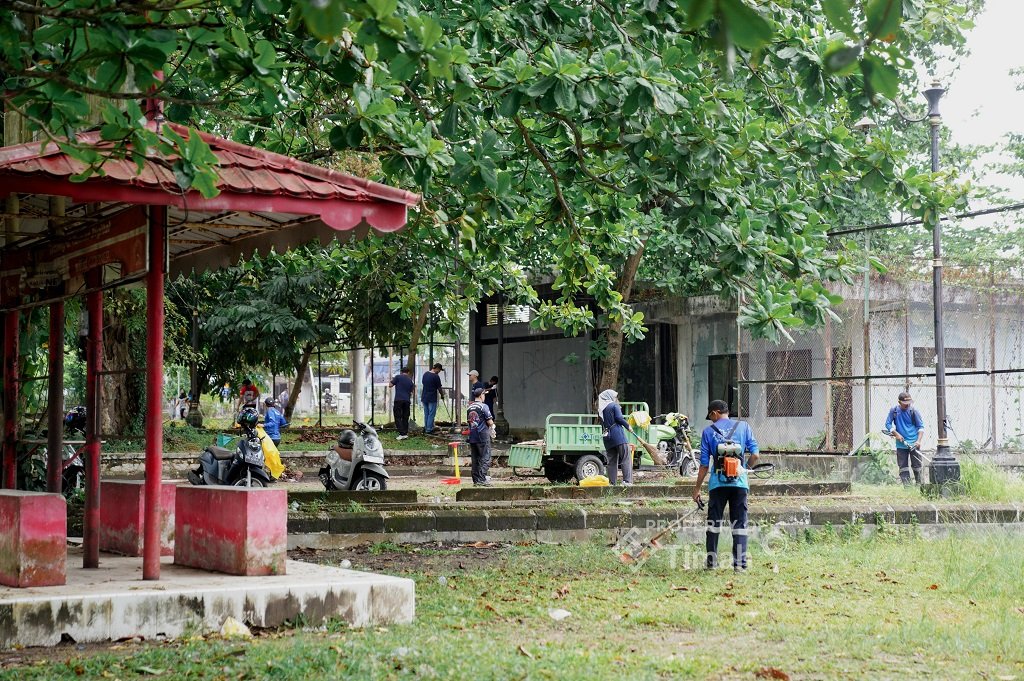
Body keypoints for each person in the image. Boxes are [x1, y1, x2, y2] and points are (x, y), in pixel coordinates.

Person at [693, 399, 760, 571]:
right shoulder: (744, 427)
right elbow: (755, 455)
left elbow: (704, 465)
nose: (711, 420)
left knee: (714, 523)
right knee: (740, 524)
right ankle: (740, 565)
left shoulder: (708, 432)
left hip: (718, 484)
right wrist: (744, 470)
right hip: (740, 484)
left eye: (710, 416)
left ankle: (711, 563)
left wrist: (697, 488)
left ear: (714, 413)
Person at [884, 391, 925, 485]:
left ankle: (920, 485)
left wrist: (918, 441)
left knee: (917, 465)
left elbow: (921, 427)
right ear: (899, 402)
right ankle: (907, 487)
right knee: (903, 466)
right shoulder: (894, 411)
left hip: (914, 443)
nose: (907, 405)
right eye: (905, 404)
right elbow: (888, 424)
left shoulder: (914, 411)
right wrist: (895, 433)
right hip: (901, 444)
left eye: (909, 403)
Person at [598, 389, 635, 485]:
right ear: (610, 397)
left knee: (612, 461)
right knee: (626, 458)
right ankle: (627, 481)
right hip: (618, 435)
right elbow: (619, 418)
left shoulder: (601, 409)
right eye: (615, 397)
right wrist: (628, 426)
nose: (616, 399)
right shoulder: (614, 406)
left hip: (607, 437)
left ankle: (612, 483)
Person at [467, 387, 496, 486]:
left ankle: (476, 480)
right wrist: (493, 427)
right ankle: (482, 479)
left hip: (472, 435)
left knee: (475, 459)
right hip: (482, 435)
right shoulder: (484, 406)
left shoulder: (469, 407)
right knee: (486, 457)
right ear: (480, 395)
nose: (484, 396)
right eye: (484, 394)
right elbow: (489, 421)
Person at [389, 366, 415, 440]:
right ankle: (405, 433)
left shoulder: (398, 377)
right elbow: (413, 392)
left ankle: (401, 433)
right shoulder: (410, 380)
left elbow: (390, 385)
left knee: (397, 416)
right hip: (407, 400)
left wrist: (391, 381)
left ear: (401, 372)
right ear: (408, 372)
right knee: (405, 417)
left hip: (398, 400)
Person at [421, 363, 445, 435]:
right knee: (431, 413)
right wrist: (442, 395)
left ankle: (426, 428)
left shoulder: (425, 374)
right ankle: (429, 429)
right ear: (437, 368)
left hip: (424, 397)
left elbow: (423, 383)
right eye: (439, 370)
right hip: (432, 397)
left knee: (426, 413)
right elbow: (439, 388)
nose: (439, 372)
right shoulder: (435, 376)